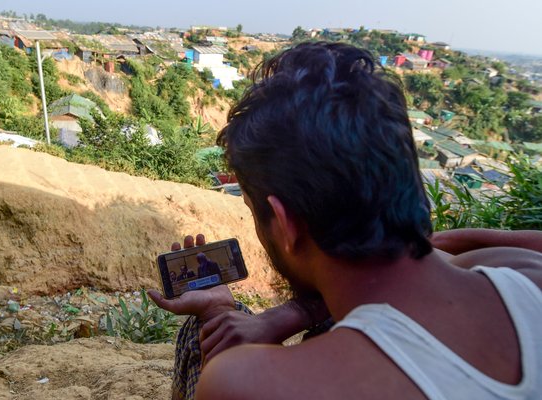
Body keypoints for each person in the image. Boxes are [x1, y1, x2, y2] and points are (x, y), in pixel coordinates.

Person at [149, 42, 542, 399]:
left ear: (285, 225)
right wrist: (295, 313)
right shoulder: (523, 272)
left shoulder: (247, 381)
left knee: (195, 337)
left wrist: (219, 311)